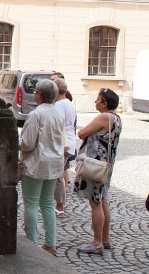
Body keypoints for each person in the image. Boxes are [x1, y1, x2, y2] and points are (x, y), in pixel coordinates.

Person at [18, 79, 65, 256]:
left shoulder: (36, 114)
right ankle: (51, 243)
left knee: (30, 203)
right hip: (54, 163)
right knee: (46, 203)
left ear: (38, 94)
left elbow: (28, 144)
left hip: (37, 163)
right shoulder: (57, 113)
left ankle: (31, 243)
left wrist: (17, 143)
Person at [74, 88, 122, 255]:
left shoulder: (104, 117)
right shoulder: (117, 118)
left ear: (105, 103)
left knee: (95, 203)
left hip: (96, 165)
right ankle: (105, 238)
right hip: (106, 166)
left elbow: (82, 133)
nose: (95, 102)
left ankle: (97, 242)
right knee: (103, 201)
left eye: (97, 99)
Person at [50, 76, 76, 216]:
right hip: (69, 142)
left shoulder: (59, 105)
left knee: (58, 175)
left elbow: (57, 126)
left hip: (63, 144)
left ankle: (59, 206)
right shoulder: (68, 103)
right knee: (59, 173)